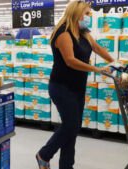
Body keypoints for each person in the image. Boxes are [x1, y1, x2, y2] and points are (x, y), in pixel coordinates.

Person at [36, 1, 114, 169]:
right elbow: (70, 61)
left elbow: (98, 48)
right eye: (86, 13)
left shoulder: (84, 32)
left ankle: (66, 166)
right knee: (71, 124)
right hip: (61, 87)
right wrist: (97, 69)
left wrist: (116, 62)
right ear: (76, 13)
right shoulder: (63, 32)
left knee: (72, 127)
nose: (88, 17)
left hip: (78, 88)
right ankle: (44, 154)